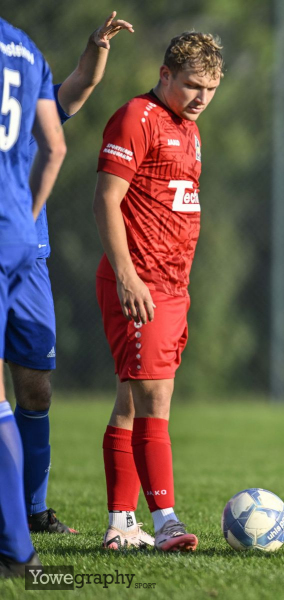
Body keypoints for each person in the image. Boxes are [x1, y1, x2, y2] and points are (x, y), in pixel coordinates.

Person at [93, 31, 222, 552]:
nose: (201, 97)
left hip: (172, 286)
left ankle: (121, 524)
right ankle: (165, 519)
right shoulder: (136, 117)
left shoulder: (188, 128)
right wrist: (126, 274)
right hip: (141, 283)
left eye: (211, 88)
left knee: (130, 400)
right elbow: (106, 199)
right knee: (155, 396)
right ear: (165, 74)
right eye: (192, 85)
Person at [10, 11, 133, 538]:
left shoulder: (32, 111)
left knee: (36, 389)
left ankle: (34, 511)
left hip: (28, 261)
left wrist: (97, 47)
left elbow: (80, 86)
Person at [0, 18, 66, 577]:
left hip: (18, 244)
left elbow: (58, 138)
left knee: (29, 388)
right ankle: (18, 545)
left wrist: (28, 216)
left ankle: (20, 538)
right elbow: (57, 145)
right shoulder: (23, 46)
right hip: (17, 238)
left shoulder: (24, 48)